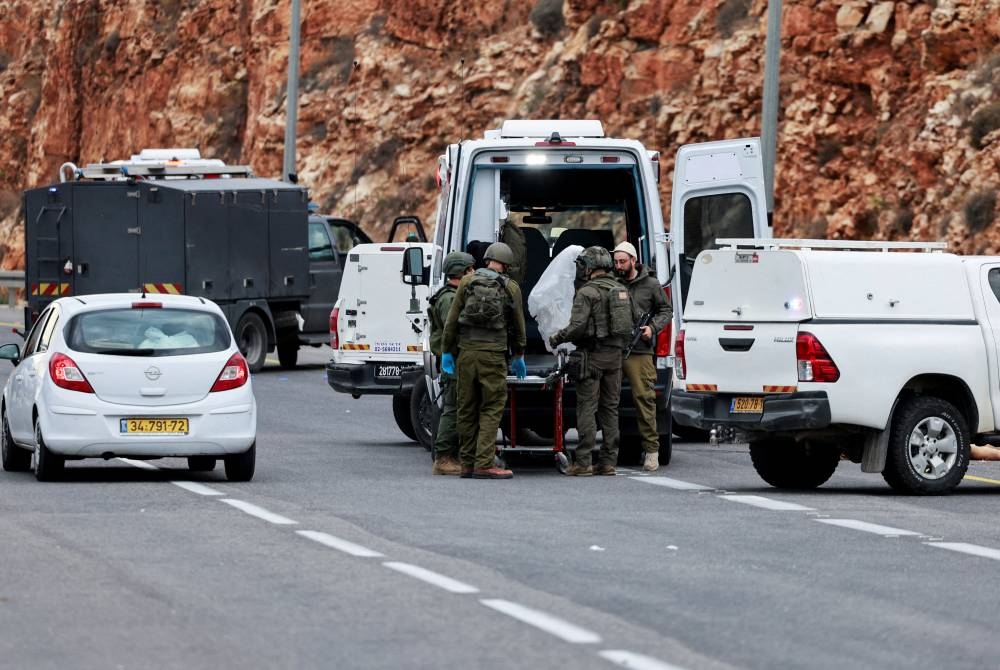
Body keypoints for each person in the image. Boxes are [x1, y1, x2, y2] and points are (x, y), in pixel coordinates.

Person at [442, 242, 527, 479]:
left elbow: (451, 321)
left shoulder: (467, 282)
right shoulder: (510, 287)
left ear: (487, 259)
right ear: (506, 264)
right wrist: (519, 355)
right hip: (493, 355)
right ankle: (484, 462)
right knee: (491, 408)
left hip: (467, 353)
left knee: (466, 408)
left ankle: (467, 462)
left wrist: (447, 351)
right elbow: (519, 326)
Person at [549, 246, 631, 476]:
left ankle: (583, 462)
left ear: (590, 267)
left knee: (587, 408)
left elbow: (577, 327)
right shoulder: (620, 289)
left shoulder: (587, 292)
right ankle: (608, 462)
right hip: (615, 358)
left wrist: (556, 338)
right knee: (610, 409)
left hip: (592, 357)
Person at [613, 241, 673, 472]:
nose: (618, 265)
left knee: (644, 400)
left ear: (633, 261)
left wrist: (652, 328)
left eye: (622, 261)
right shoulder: (612, 282)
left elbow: (666, 310)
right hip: (614, 350)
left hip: (639, 352)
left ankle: (651, 450)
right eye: (616, 261)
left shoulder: (650, 284)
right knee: (608, 402)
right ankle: (611, 450)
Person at [427, 251, 475, 475]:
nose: (474, 273)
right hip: (453, 361)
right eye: (470, 269)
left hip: (457, 360)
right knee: (453, 408)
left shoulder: (454, 294)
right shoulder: (448, 298)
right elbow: (452, 329)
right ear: (461, 272)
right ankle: (443, 458)